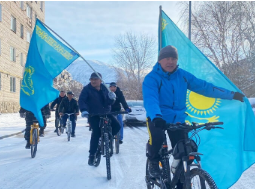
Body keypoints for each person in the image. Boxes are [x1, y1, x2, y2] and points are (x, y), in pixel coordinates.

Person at [143, 45, 245, 179]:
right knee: (157, 138)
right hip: (157, 118)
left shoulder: (183, 76)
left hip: (177, 118)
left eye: (173, 58)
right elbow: (151, 99)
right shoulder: (152, 78)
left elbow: (205, 88)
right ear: (160, 60)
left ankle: (182, 188)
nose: (170, 62)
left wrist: (232, 95)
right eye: (167, 58)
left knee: (186, 151)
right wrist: (156, 116)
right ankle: (153, 161)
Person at [78, 72, 120, 166]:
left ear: (100, 80)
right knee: (96, 133)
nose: (93, 81)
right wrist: (84, 110)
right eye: (92, 79)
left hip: (106, 113)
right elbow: (82, 100)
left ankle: (107, 140)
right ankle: (92, 155)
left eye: (95, 79)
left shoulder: (105, 88)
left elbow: (108, 103)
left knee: (117, 126)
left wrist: (112, 98)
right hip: (93, 114)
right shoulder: (87, 89)